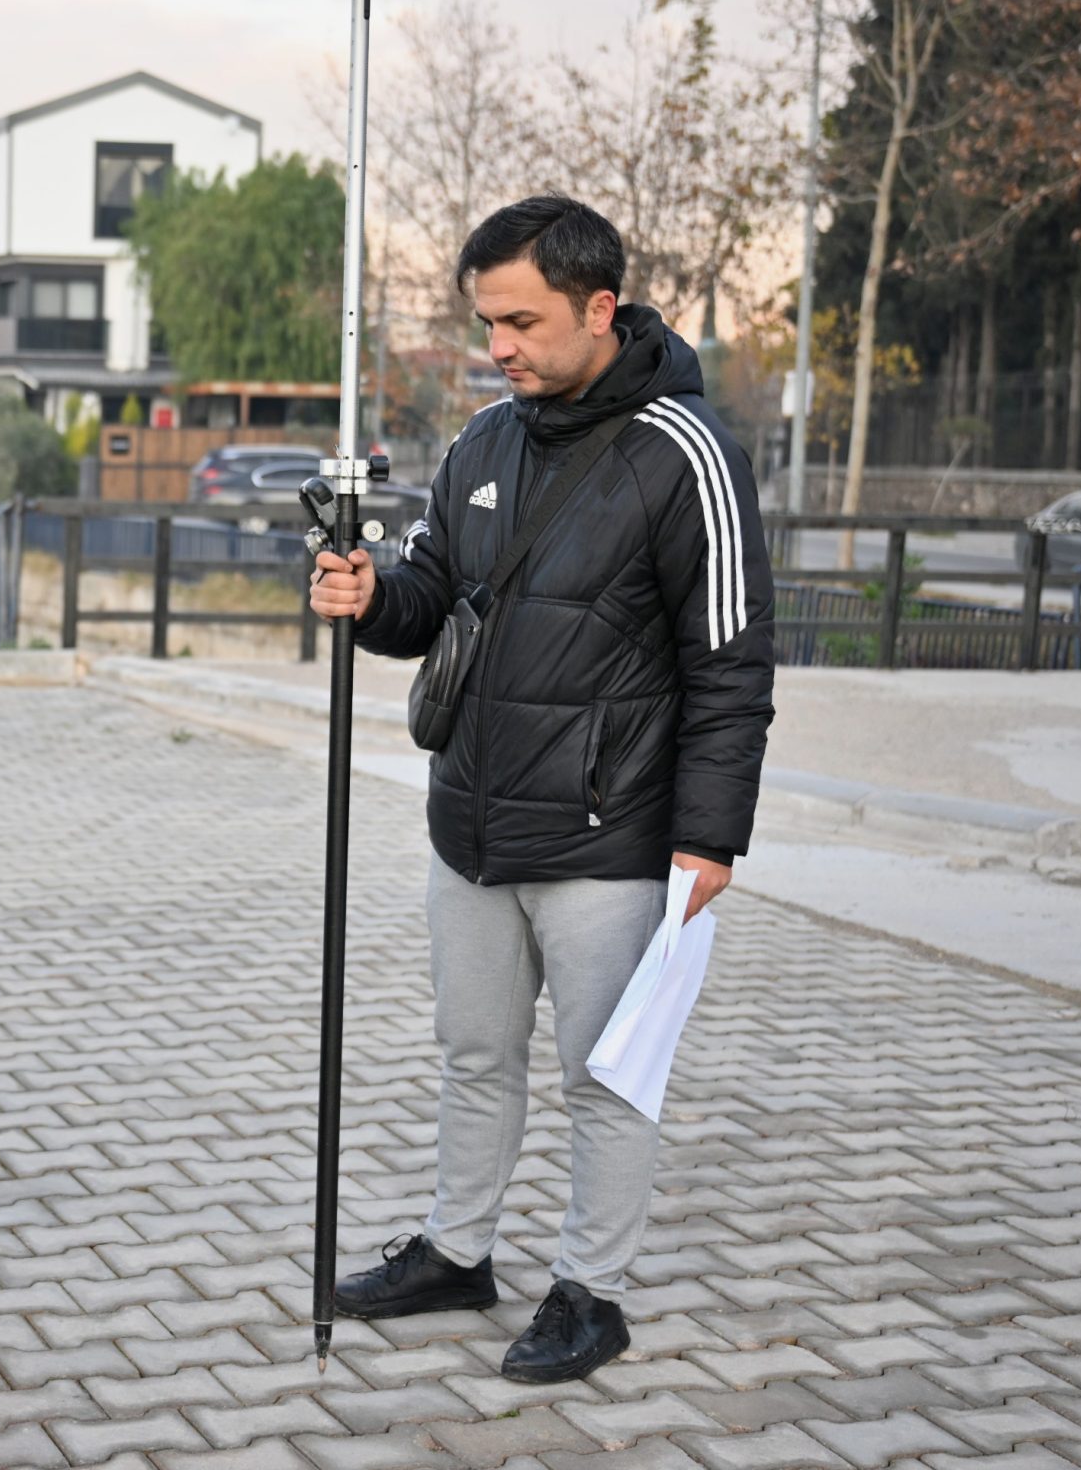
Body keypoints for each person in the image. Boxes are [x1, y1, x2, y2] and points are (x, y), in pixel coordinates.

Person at [309, 194, 775, 1383]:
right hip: (468, 824)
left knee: (600, 1075)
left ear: (599, 307)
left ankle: (591, 1290)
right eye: (486, 323)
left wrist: (708, 837)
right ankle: (458, 1251)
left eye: (520, 320)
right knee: (472, 1051)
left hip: (608, 839)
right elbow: (428, 600)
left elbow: (730, 663)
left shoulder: (687, 454)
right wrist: (369, 598)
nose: (498, 346)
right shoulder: (480, 442)